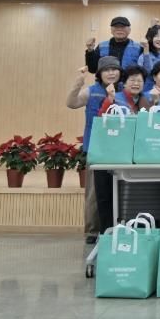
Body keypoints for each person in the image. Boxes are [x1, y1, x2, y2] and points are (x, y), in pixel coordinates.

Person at [66, 56, 122, 238]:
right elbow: (71, 103)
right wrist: (78, 83)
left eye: (114, 69)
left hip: (120, 149)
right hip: (95, 148)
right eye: (106, 70)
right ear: (99, 73)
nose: (111, 73)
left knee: (119, 191)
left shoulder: (124, 91)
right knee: (94, 193)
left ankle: (117, 228)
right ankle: (92, 230)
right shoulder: (91, 91)